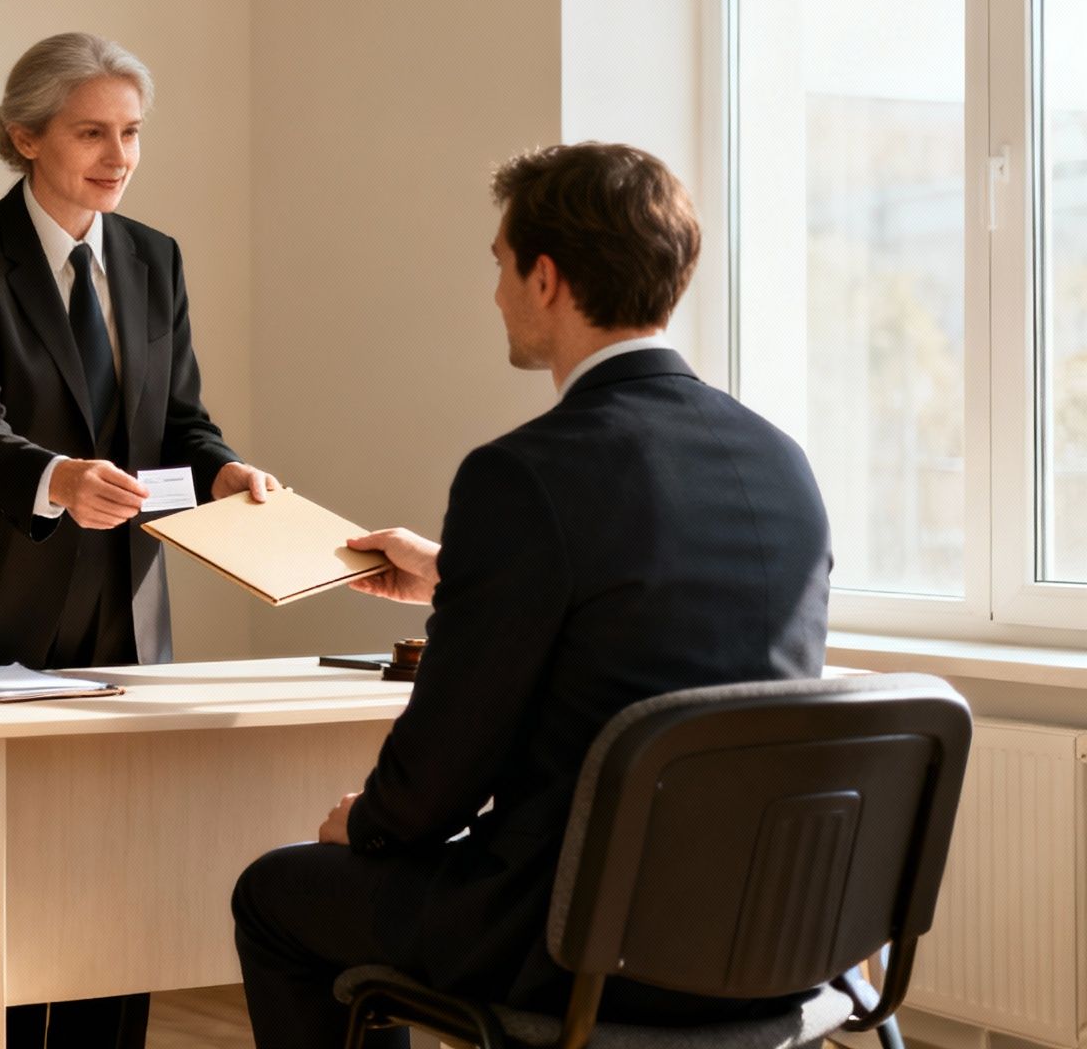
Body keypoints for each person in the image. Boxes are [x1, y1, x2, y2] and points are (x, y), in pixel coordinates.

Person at [231, 142, 833, 1048]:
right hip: (771, 930)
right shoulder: (780, 460)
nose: (498, 292)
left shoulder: (526, 475)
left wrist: (370, 827)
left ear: (545, 278)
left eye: (501, 266)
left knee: (278, 892)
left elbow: (446, 764)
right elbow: (659, 618)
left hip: (573, 936)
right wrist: (461, 573)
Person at [0, 32, 277, 1048]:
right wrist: (55, 478)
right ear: (24, 137)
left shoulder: (154, 258)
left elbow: (177, 422)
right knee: (2, 896)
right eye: (90, 132)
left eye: (132, 132)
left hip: (123, 610)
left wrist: (223, 469)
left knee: (116, 890)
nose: (118, 155)